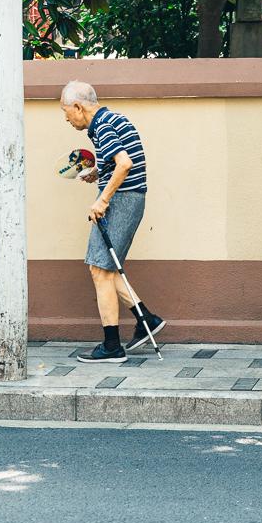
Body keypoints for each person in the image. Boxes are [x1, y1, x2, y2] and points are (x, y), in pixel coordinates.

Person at [60, 80, 166, 363]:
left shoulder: (102, 126)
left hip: (123, 200)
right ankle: (146, 320)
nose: (66, 118)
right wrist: (98, 172)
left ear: (78, 106)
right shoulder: (110, 120)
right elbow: (117, 161)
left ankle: (111, 346)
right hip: (130, 198)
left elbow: (125, 164)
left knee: (99, 269)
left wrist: (102, 200)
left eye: (66, 111)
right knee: (104, 268)